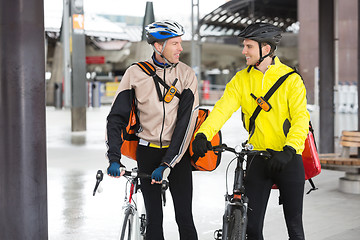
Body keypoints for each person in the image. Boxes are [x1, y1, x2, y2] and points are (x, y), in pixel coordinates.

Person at [192, 22, 310, 240]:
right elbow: (221, 110)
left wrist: (290, 149)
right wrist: (203, 134)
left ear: (266, 49)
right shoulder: (241, 80)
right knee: (251, 229)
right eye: (244, 46)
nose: (243, 51)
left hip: (288, 158)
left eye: (249, 46)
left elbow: (301, 119)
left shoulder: (291, 80)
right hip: (257, 158)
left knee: (295, 229)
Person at [105, 20, 199, 240]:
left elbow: (186, 124)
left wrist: (169, 162)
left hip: (178, 155)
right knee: (154, 220)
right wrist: (114, 158)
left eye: (180, 43)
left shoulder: (186, 75)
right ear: (158, 46)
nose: (180, 48)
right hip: (147, 152)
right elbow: (116, 118)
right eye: (175, 43)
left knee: (184, 217)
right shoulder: (135, 73)